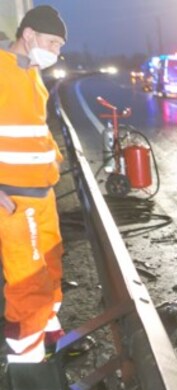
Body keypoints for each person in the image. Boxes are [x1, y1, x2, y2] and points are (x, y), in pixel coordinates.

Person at [0, 5, 76, 363]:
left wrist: (55, 160)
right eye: (52, 42)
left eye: (60, 45)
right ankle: (27, 367)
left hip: (42, 195)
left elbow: (35, 131)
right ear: (28, 36)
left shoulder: (30, 73)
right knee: (28, 281)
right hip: (14, 201)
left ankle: (48, 328)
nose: (56, 52)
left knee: (52, 264)